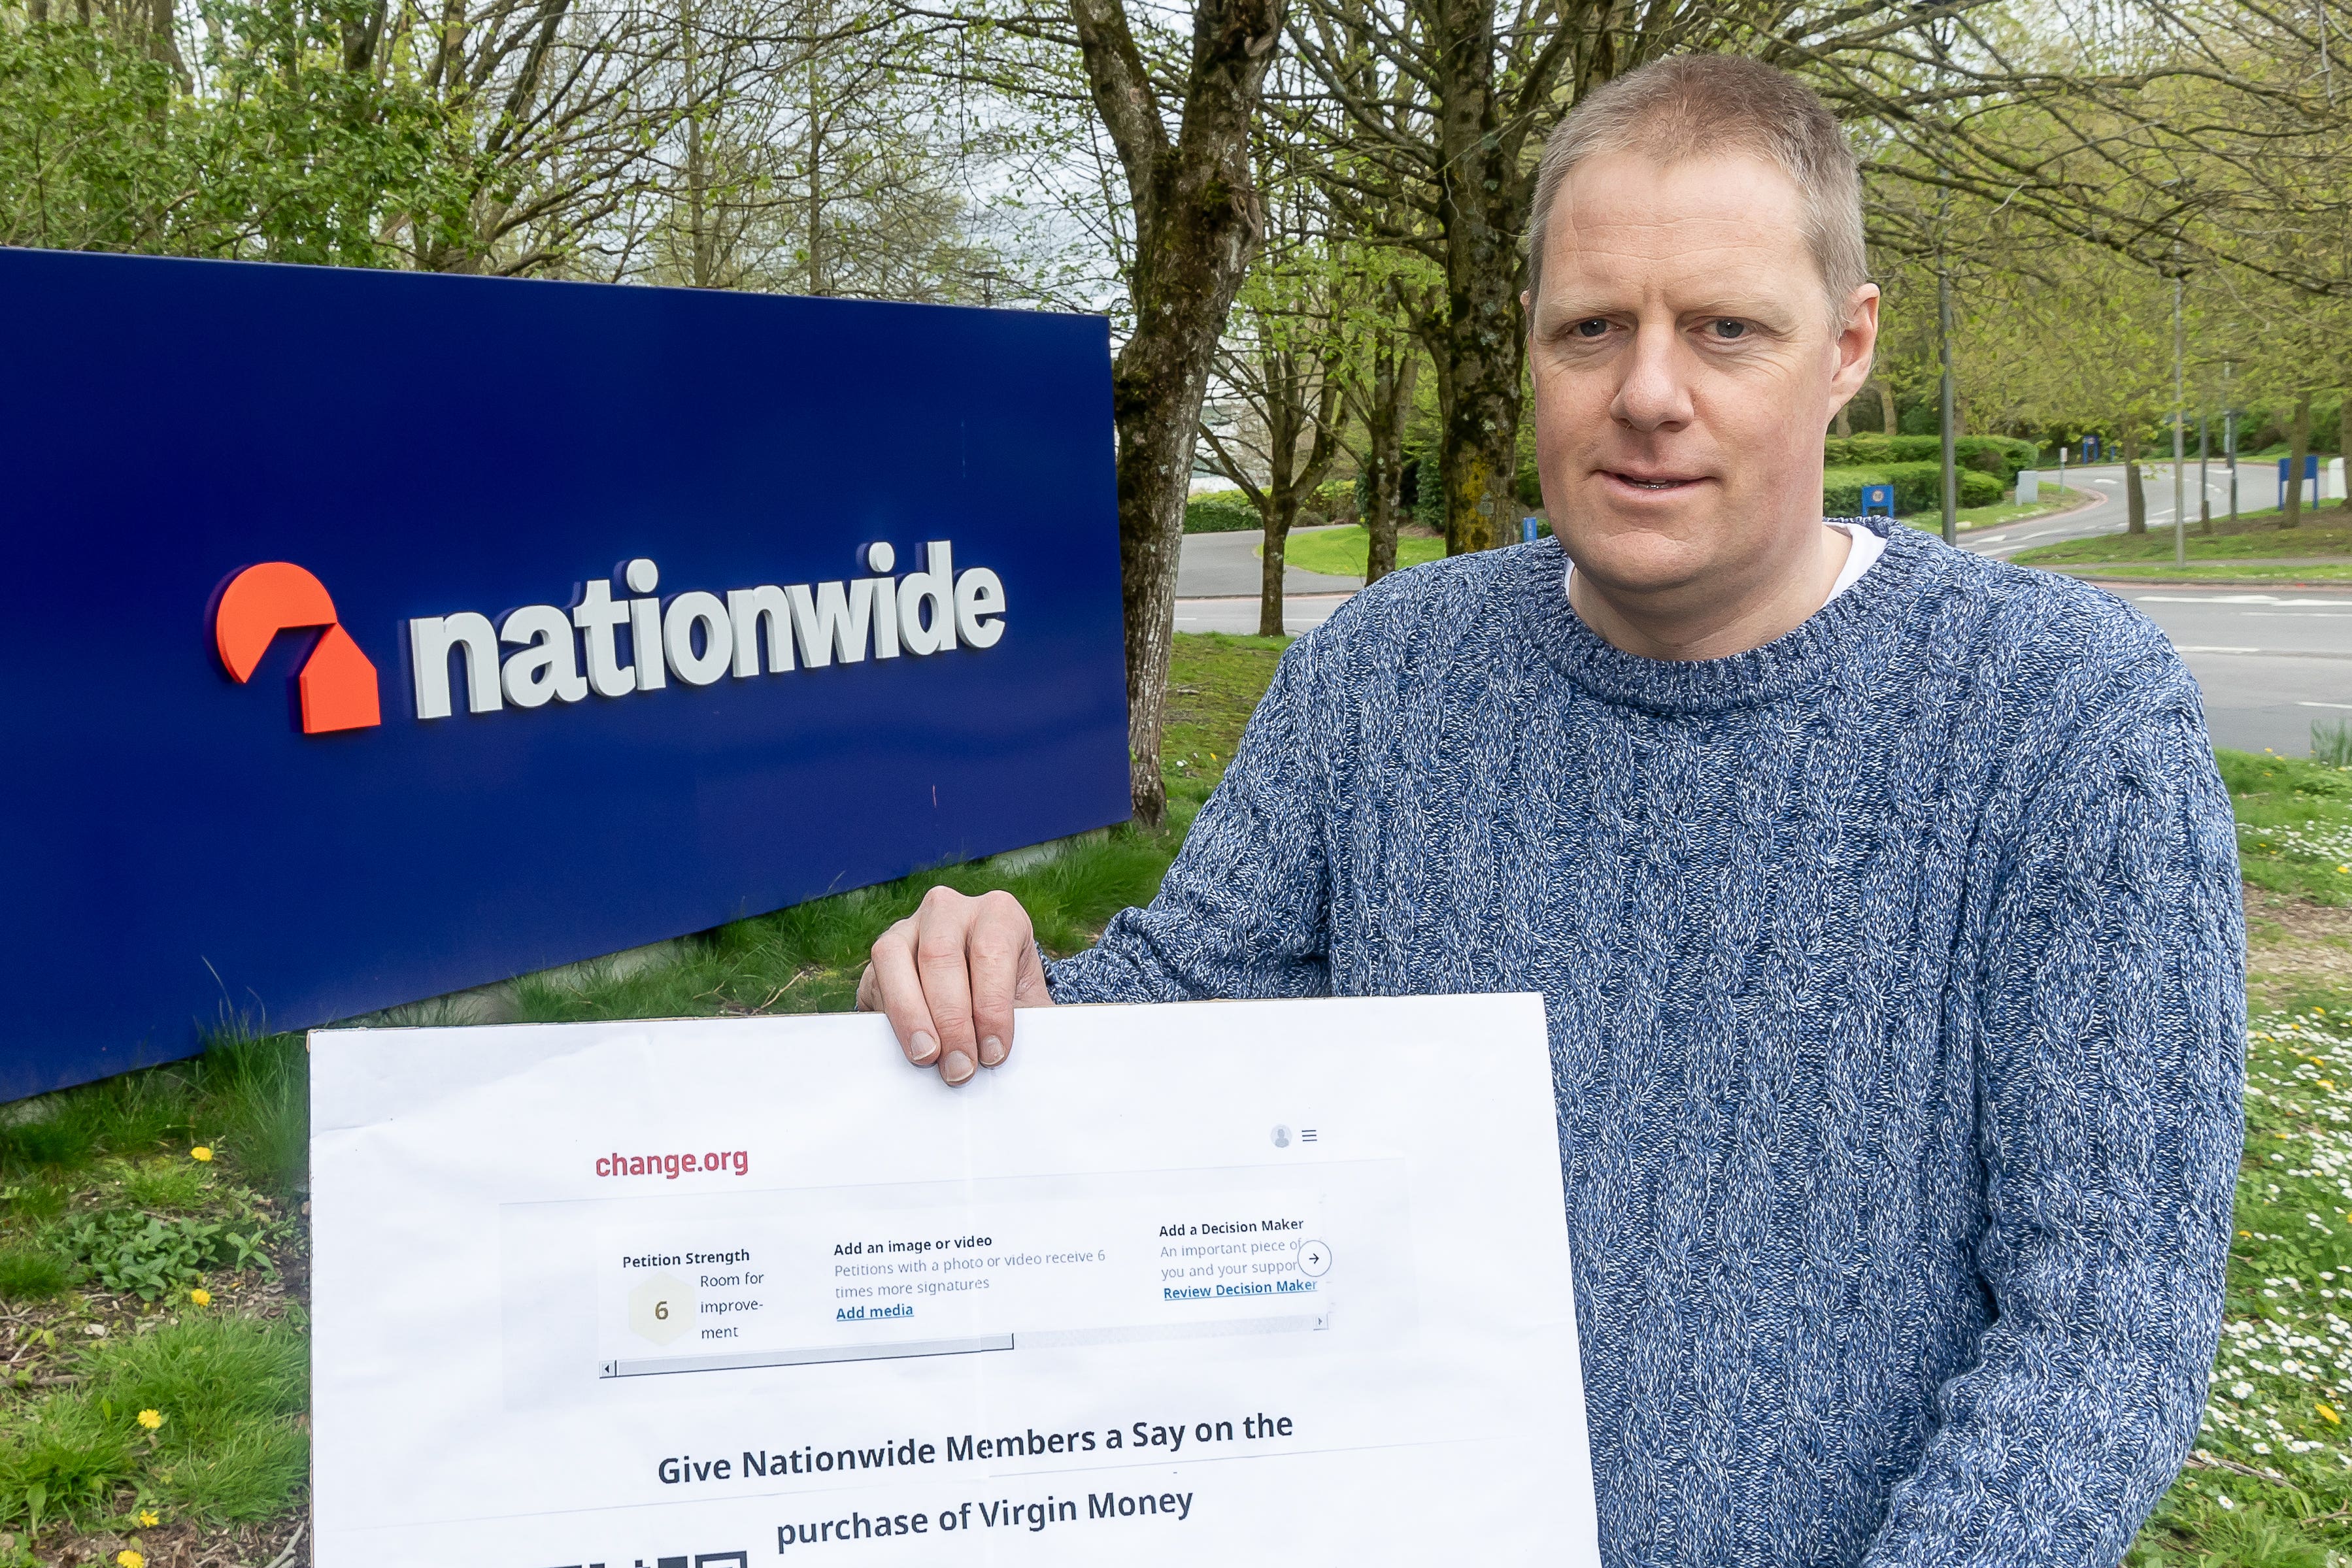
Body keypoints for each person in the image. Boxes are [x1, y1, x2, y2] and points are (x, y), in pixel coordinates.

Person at [858, 53, 2243, 1566]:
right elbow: (1185, 1009)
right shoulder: (1381, 676)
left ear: (1843, 350)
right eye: (1591, 327)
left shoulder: (2068, 721)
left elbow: (2102, 1332)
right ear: (1525, 344)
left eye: (1725, 329)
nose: (1648, 393)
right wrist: (998, 984)